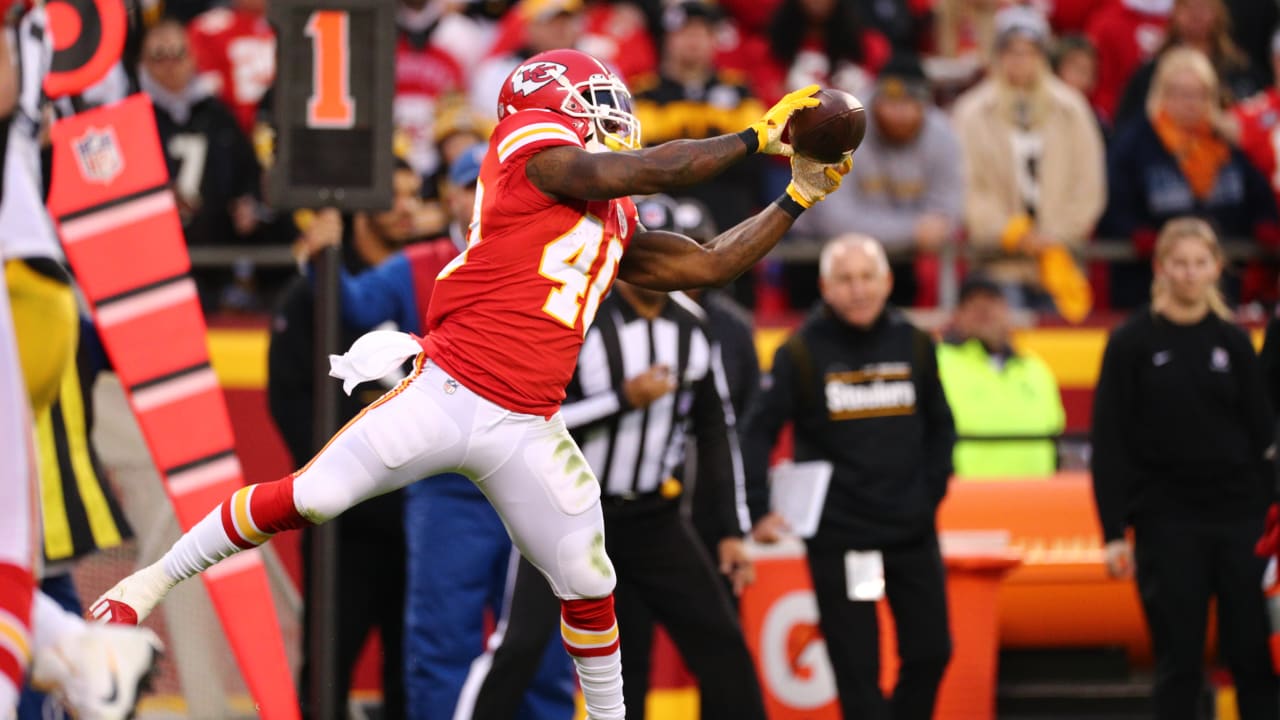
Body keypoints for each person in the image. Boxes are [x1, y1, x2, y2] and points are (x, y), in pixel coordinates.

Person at [90, 48, 850, 720]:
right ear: (554, 106)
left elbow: (712, 263)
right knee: (313, 495)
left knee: (589, 576)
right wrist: (755, 136)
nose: (613, 119)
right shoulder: (528, 151)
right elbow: (639, 168)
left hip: (530, 424)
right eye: (596, 105)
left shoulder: (613, 217)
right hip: (449, 390)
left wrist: (797, 198)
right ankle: (147, 584)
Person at [460, 274, 763, 720]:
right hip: (566, 515)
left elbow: (716, 430)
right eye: (645, 257)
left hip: (652, 515)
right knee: (521, 643)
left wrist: (734, 530)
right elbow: (528, 416)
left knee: (720, 644)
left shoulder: (693, 326)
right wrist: (621, 399)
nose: (658, 270)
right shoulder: (579, 319)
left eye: (667, 258)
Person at [743, 234, 955, 719]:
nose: (857, 290)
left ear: (886, 282)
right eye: (845, 279)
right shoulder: (800, 352)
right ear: (824, 286)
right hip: (847, 544)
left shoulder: (915, 344)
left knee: (930, 652)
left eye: (866, 277)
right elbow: (757, 432)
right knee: (860, 669)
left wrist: (930, 493)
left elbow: (941, 427)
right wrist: (757, 510)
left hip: (910, 534)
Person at [1091, 217, 1278, 719]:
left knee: (1254, 660)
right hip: (1166, 522)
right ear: (1160, 268)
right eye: (1180, 263)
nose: (1190, 274)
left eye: (1200, 263)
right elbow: (1109, 444)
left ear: (1217, 268)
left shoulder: (1235, 344)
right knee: (1179, 665)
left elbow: (1265, 439)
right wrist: (1112, 532)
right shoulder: (1131, 343)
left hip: (1242, 522)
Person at [952, 5, 1106, 312]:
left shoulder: (1072, 110)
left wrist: (1055, 235)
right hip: (997, 263)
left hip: (1060, 261)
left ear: (1042, 55)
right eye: (1011, 50)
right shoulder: (970, 113)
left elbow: (1089, 184)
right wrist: (1011, 233)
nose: (1020, 60)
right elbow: (965, 187)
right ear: (997, 54)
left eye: (1029, 50)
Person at [1100, 47, 1279, 308]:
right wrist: (1136, 234)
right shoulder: (1134, 144)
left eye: (1200, 94)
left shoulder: (1225, 142)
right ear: (1162, 93)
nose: (1191, 102)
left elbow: (1258, 196)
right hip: (1147, 289)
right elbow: (1113, 205)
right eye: (1181, 93)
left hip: (1221, 290)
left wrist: (1265, 224)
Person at [792, 52, 963, 308]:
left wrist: (918, 233)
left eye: (909, 104)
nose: (898, 113)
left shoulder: (943, 137)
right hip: (819, 251)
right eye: (891, 102)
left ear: (925, 104)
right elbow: (833, 220)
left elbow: (946, 216)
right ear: (875, 98)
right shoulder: (843, 126)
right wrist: (913, 231)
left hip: (899, 260)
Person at [138, 19, 265, 312]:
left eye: (177, 54)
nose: (169, 64)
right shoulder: (132, 117)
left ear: (193, 57)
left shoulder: (218, 114)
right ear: (143, 62)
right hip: (150, 266)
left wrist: (249, 204)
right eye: (158, 56)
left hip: (214, 267)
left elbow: (248, 175)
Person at [937, 275, 1065, 479]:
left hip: (1038, 499)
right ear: (957, 316)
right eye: (972, 304)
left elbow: (1056, 435)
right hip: (966, 499)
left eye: (991, 301)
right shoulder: (937, 362)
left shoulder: (1035, 368)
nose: (983, 310)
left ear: (1007, 311)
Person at [1113, 0, 1263, 129]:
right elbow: (1128, 127)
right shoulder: (1150, 74)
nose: (1196, 15)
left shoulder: (1240, 69)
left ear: (1218, 12)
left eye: (1203, 7)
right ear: (1175, 13)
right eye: (1188, 6)